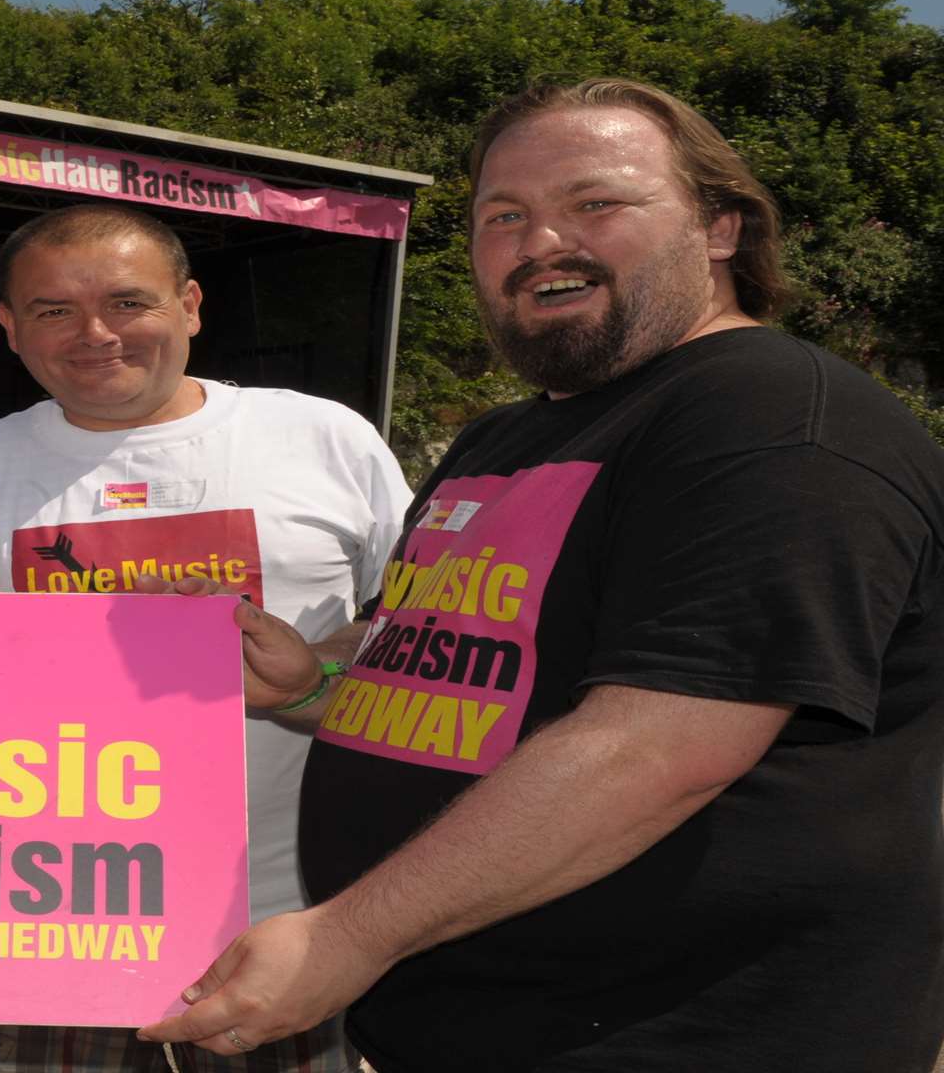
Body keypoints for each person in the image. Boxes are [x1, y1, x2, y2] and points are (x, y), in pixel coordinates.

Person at [137, 78, 944, 1071]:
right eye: (503, 217)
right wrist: (309, 679)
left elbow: (658, 744)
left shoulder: (770, 418)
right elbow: (426, 662)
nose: (540, 241)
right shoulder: (503, 438)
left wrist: (347, 936)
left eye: (595, 204)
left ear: (721, 228)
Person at [0, 202, 409, 1073]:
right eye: (55, 310)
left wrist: (314, 674)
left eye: (129, 303)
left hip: (282, 924)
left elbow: (419, 641)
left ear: (191, 305)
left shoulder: (326, 438)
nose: (96, 333)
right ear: (10, 329)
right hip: (46, 923)